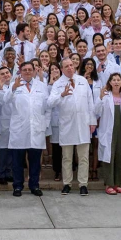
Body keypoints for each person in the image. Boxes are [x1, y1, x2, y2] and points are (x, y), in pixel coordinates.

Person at [47, 58, 97, 196]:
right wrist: (62, 95)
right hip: (67, 125)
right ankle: (67, 183)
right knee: (67, 157)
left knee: (83, 157)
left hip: (83, 123)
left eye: (71, 65)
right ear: (62, 69)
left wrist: (92, 121)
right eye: (66, 66)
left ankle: (83, 184)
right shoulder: (58, 84)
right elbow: (50, 102)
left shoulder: (82, 80)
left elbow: (90, 101)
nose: (70, 68)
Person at [4, 62, 50, 197]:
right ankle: (17, 186)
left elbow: (47, 107)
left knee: (35, 161)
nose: (28, 72)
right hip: (19, 129)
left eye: (30, 69)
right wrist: (13, 88)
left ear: (34, 71)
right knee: (18, 161)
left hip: (36, 127)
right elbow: (4, 100)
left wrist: (45, 124)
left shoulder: (41, 86)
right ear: (20, 71)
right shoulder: (14, 83)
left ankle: (34, 185)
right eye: (25, 70)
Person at [95, 73, 121, 195]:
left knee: (120, 157)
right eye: (114, 80)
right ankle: (109, 184)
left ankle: (118, 184)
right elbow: (96, 111)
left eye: (118, 80)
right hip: (108, 132)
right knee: (109, 158)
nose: (116, 82)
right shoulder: (106, 97)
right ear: (110, 82)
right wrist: (100, 98)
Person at [0, 66, 14, 185]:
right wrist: (1, 87)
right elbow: (1, 102)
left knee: (12, 149)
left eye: (7, 72)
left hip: (15, 122)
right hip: (3, 122)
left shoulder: (17, 85)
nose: (5, 75)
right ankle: (1, 173)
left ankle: (10, 172)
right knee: (3, 150)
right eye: (2, 74)